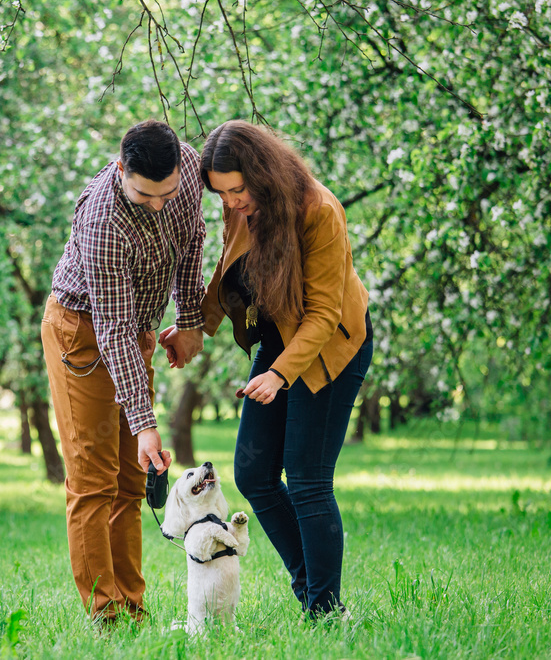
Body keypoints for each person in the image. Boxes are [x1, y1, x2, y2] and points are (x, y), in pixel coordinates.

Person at [193, 120, 374, 616]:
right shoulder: (242, 208)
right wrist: (197, 327)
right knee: (253, 474)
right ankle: (315, 597)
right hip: (279, 335)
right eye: (221, 193)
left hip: (332, 344)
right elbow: (228, 270)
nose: (229, 202)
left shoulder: (319, 211)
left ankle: (323, 611)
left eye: (236, 190)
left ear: (262, 173)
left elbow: (324, 314)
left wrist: (278, 373)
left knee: (309, 479)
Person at [41, 120, 206, 623]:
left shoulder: (191, 167)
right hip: (84, 334)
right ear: (121, 170)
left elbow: (193, 237)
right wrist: (145, 423)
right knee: (94, 480)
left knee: (133, 483)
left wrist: (191, 320)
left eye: (167, 193)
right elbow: (112, 328)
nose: (158, 204)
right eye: (144, 196)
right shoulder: (103, 218)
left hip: (137, 329)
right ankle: (106, 618)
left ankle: (134, 609)